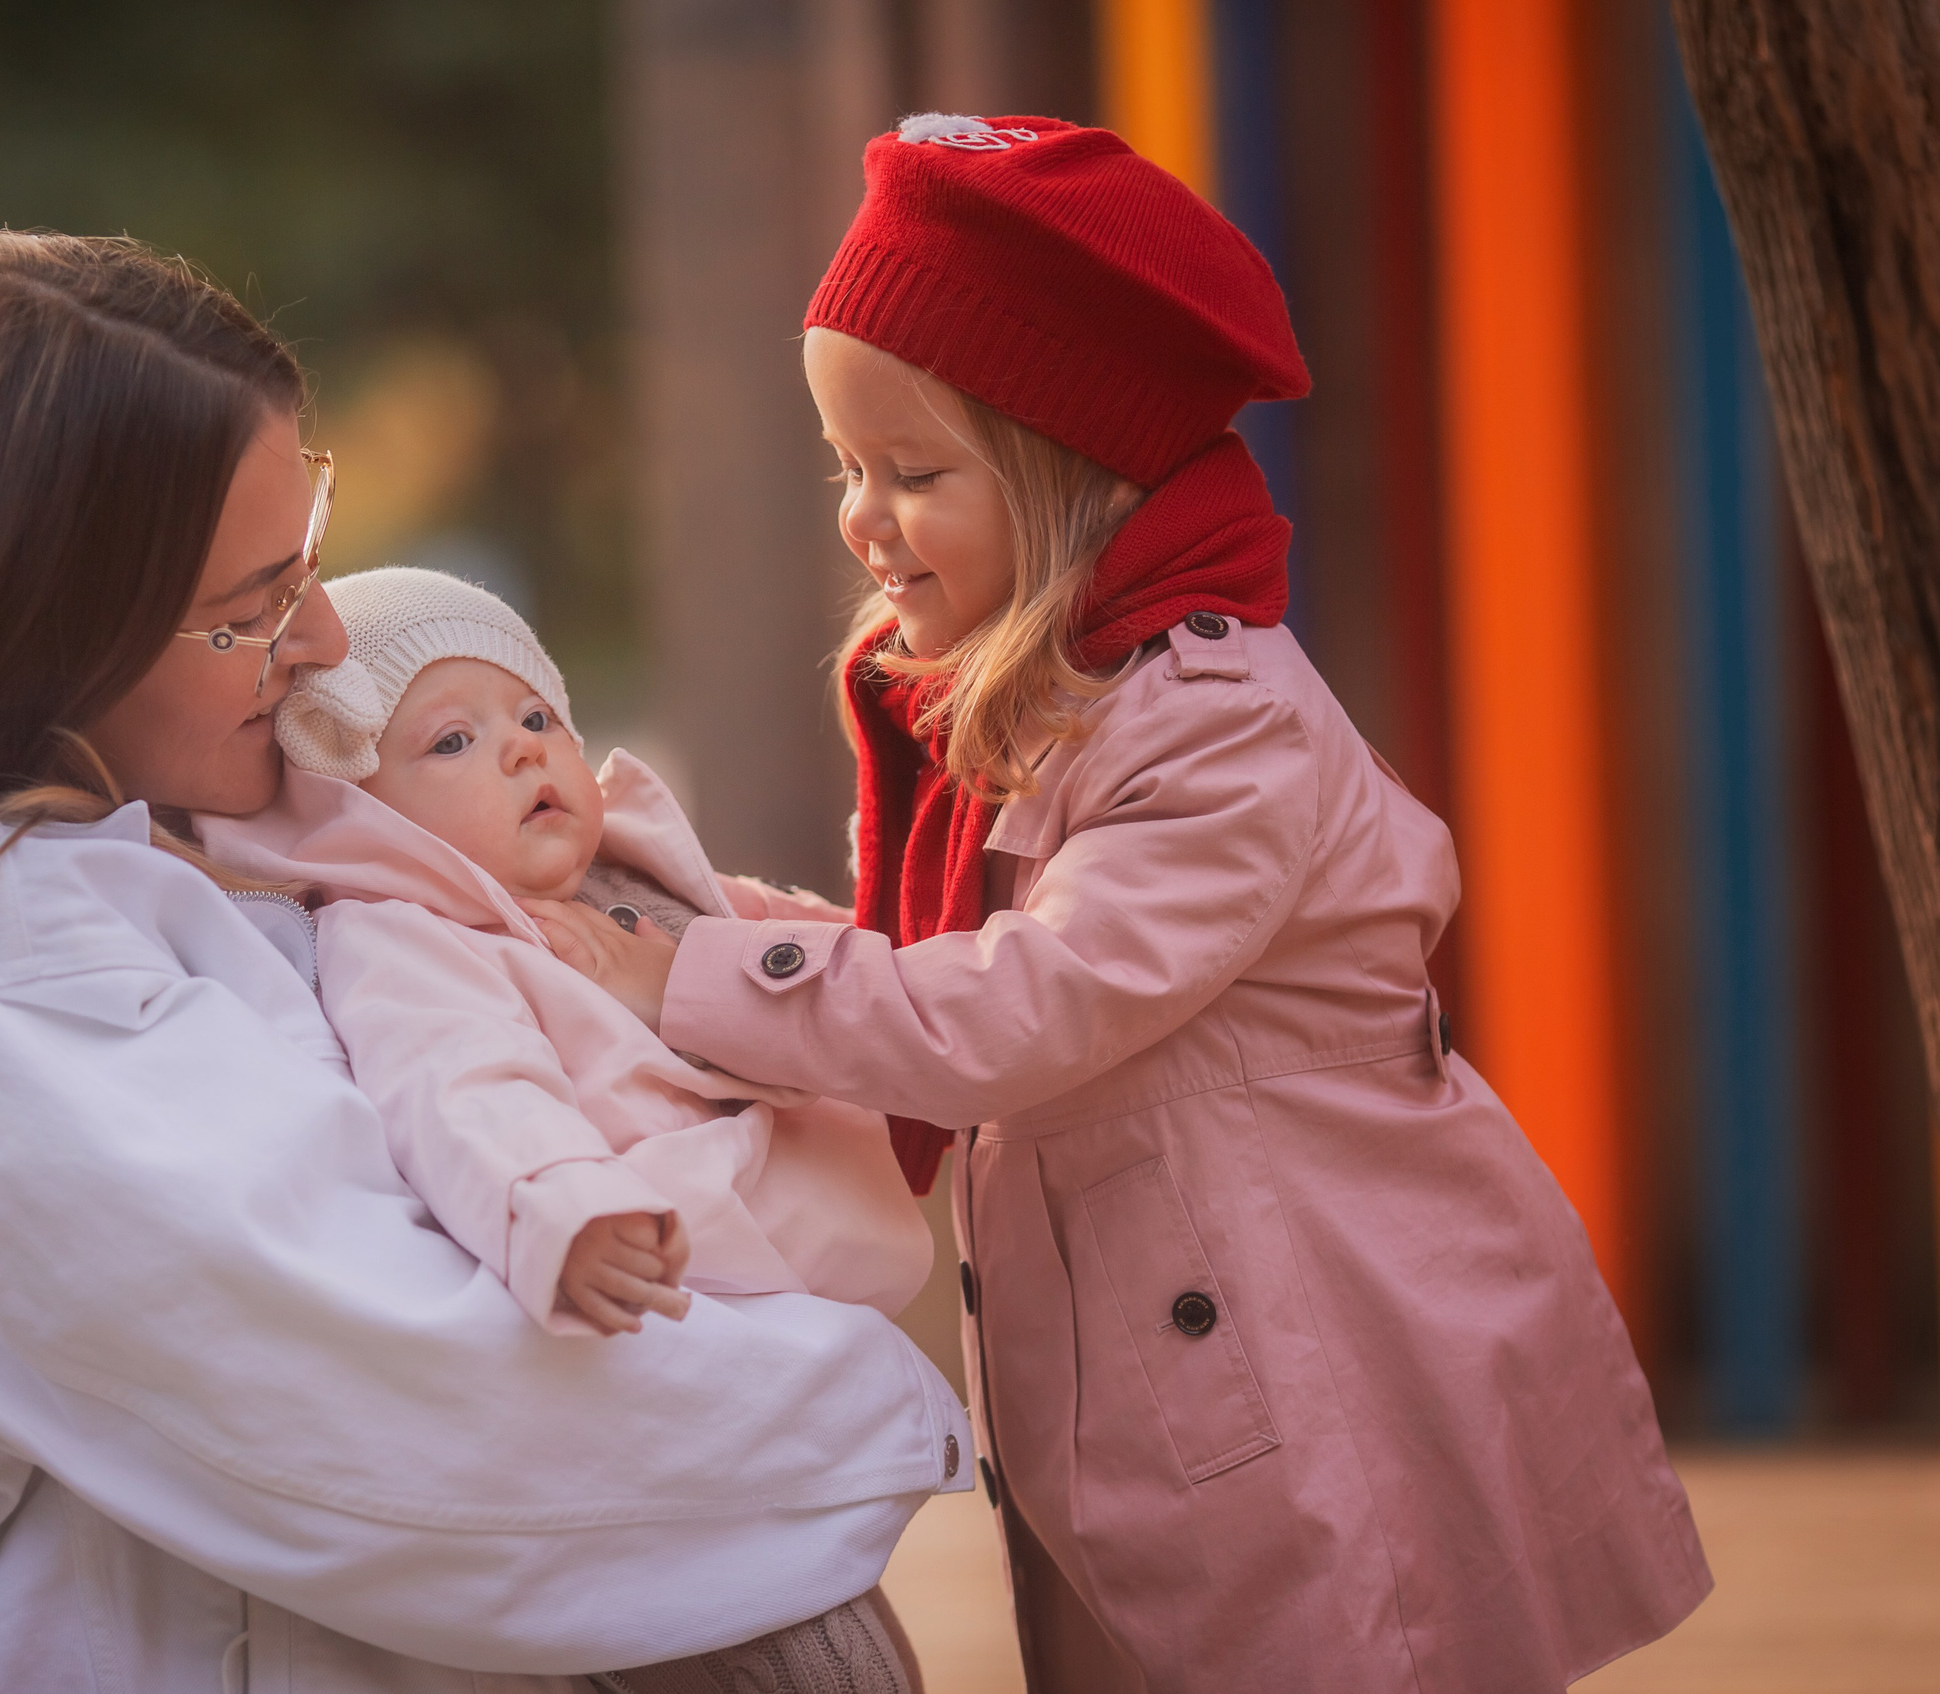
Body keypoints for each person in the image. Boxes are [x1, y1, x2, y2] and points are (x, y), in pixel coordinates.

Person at [0, 228, 967, 1694]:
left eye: (314, 565)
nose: (325, 639)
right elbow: (400, 1407)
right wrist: (880, 1396)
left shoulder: (176, 847)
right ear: (30, 638)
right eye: (253, 609)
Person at [527, 117, 1713, 1692]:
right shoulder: (1056, 704)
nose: (861, 517)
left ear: (1064, 475)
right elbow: (931, 958)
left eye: (913, 470)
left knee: (1331, 1644)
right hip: (1156, 1355)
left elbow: (1025, 1003)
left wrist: (696, 975)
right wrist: (676, 905)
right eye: (845, 468)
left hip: (1300, 1351)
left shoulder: (1218, 724)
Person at [197, 566, 932, 1340]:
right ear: (357, 814)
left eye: (538, 717)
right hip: (680, 1267)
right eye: (453, 741)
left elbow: (839, 949)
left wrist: (940, 949)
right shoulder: (407, 940)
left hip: (832, 1252)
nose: (522, 749)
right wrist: (565, 1206)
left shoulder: (634, 869)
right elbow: (462, 1089)